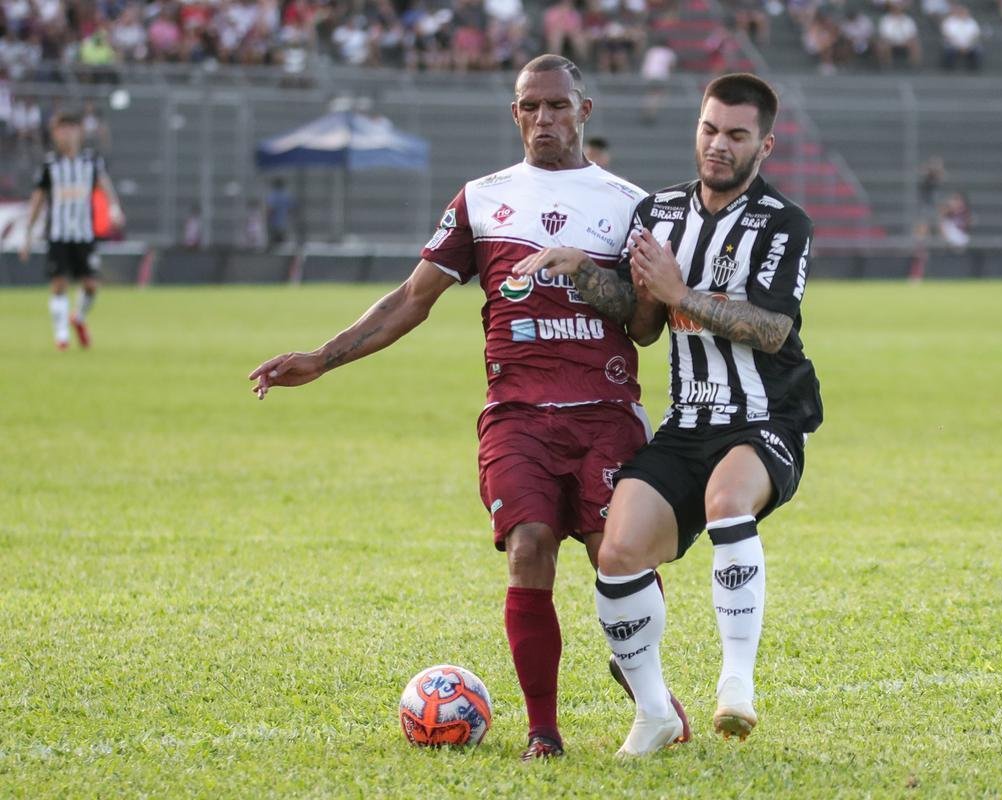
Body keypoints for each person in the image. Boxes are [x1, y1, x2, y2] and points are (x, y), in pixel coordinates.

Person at [248, 54, 689, 762]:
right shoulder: (482, 199)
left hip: (605, 412)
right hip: (516, 414)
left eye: (555, 105)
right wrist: (322, 358)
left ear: (584, 110)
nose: (543, 119)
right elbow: (411, 299)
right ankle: (543, 731)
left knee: (618, 557)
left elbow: (642, 327)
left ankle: (652, 695)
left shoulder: (628, 203)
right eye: (528, 107)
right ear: (514, 114)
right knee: (528, 547)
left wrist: (583, 267)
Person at [511, 73, 822, 757]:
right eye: (709, 129)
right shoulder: (660, 212)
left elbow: (771, 329)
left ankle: (735, 683)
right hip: (688, 423)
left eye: (735, 135)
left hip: (765, 414)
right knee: (618, 552)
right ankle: (653, 712)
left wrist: (682, 288)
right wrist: (585, 275)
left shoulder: (783, 225)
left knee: (725, 501)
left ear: (763, 144)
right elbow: (646, 323)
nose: (717, 145)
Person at [20, 111, 124, 350]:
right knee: (59, 283)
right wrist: (28, 234)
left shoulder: (90, 162)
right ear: (55, 134)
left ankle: (78, 317)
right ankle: (61, 336)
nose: (66, 134)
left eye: (71, 128)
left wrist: (115, 208)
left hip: (84, 234)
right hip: (58, 234)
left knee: (90, 285)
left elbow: (105, 185)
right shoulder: (50, 165)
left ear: (80, 131)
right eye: (61, 129)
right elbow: (37, 200)